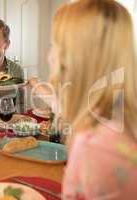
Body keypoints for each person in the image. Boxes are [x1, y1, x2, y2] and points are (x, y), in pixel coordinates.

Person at [29, 0, 137, 199]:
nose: (49, 56)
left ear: (76, 57)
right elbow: (61, 106)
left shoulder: (93, 146)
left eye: (54, 45)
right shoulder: (117, 113)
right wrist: (36, 85)